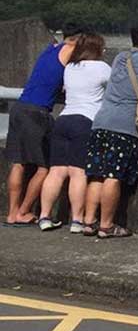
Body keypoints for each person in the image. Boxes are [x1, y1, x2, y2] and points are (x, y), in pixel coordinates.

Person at [82, 25, 138, 240]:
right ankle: (106, 226)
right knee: (113, 175)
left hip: (101, 121)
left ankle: (89, 222)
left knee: (97, 175)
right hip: (124, 126)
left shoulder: (121, 57)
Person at [4, 24, 81, 226]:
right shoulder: (70, 50)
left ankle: (11, 213)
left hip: (20, 107)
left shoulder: (50, 49)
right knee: (43, 167)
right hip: (38, 112)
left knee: (18, 163)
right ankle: (24, 211)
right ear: (79, 39)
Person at [38, 32, 110, 232]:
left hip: (63, 120)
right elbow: (114, 88)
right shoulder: (102, 68)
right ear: (97, 49)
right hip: (85, 121)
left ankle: (44, 216)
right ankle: (77, 220)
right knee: (78, 173)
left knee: (56, 171)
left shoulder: (70, 67)